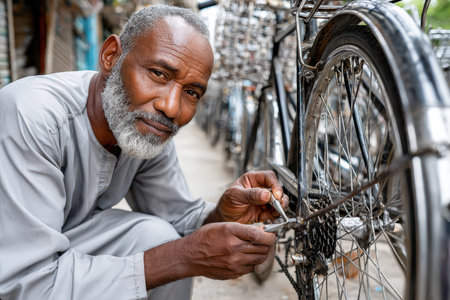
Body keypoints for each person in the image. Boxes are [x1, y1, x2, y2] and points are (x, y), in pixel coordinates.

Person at [0, 5, 288, 300]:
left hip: (62, 241)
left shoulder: (142, 128)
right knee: (169, 252)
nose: (171, 108)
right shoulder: (31, 115)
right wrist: (182, 258)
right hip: (17, 267)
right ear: (111, 56)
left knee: (157, 237)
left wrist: (224, 214)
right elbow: (23, 283)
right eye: (159, 74)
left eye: (191, 92)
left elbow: (179, 219)